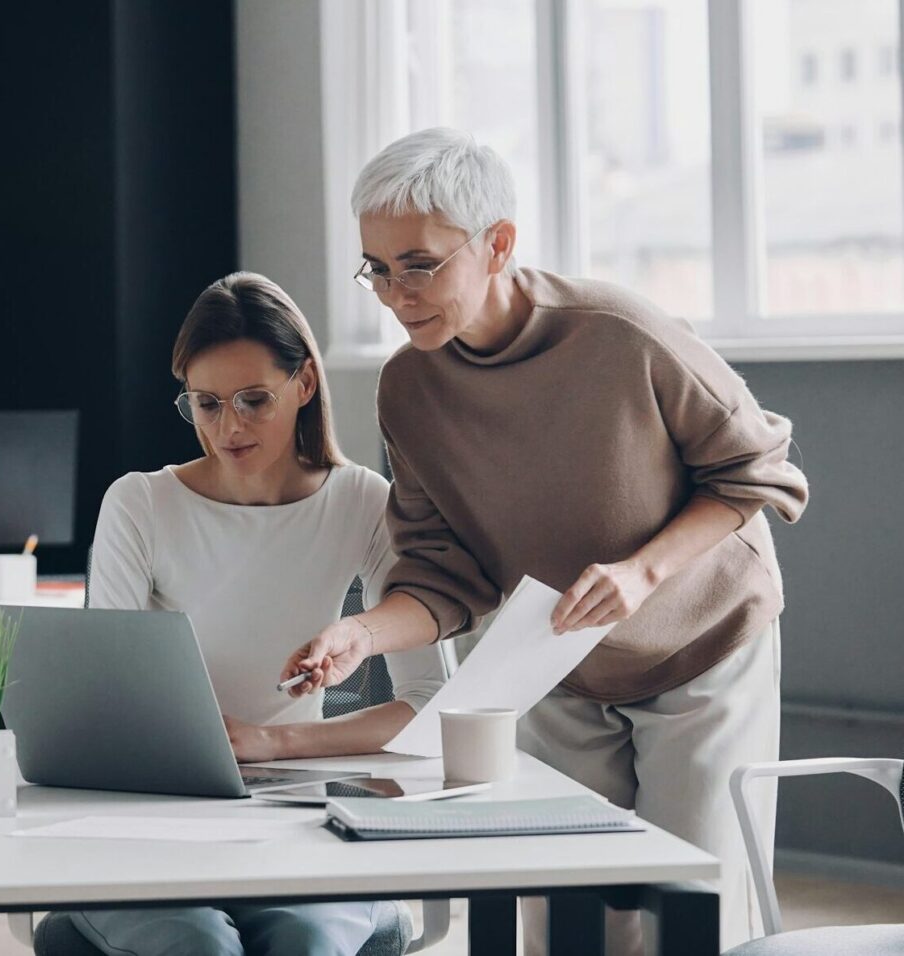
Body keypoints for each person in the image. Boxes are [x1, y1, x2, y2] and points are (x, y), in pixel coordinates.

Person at [281, 128, 809, 955]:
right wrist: (361, 633)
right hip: (554, 661)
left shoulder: (621, 332)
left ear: (497, 245)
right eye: (377, 269)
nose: (395, 294)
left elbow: (758, 470)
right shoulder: (409, 389)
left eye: (418, 264)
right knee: (565, 919)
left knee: (691, 913)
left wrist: (644, 572)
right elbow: (442, 572)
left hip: (703, 645)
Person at [70, 271, 446, 956]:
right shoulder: (141, 503)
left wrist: (275, 743)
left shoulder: (362, 500)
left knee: (308, 940)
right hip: (151, 816)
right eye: (206, 404)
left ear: (304, 384)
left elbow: (431, 702)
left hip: (293, 815)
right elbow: (101, 707)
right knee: (198, 946)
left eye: (253, 400)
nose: (229, 427)